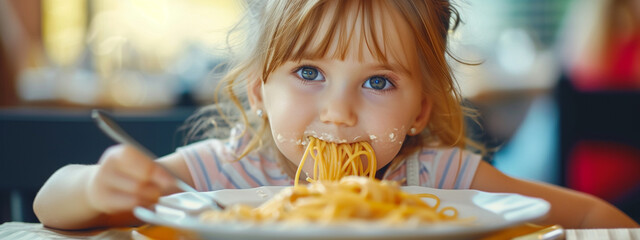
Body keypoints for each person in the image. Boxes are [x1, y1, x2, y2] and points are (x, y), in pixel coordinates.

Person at [33, 0, 638, 230]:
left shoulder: (436, 180)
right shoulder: (219, 176)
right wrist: (96, 184)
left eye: (378, 82)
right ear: (257, 89)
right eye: (308, 73)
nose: (339, 112)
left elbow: (590, 215)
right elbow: (49, 205)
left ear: (420, 107)